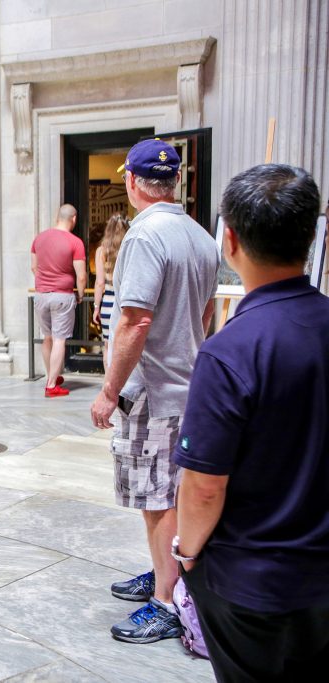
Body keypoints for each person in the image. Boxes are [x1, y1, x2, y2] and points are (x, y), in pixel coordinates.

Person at [173, 164, 329, 681]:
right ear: (310, 236)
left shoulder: (230, 351)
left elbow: (203, 487)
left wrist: (187, 555)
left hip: (254, 581)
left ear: (230, 239)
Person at [88, 139, 218, 644]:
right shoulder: (200, 235)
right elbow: (204, 315)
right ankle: (166, 573)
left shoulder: (145, 236)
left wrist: (108, 391)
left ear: (132, 183)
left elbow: (134, 321)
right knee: (174, 491)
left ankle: (166, 601)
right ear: (176, 182)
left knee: (157, 500)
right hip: (190, 385)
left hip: (152, 391)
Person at [31, 204, 86, 397]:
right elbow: (81, 276)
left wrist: (44, 283)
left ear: (57, 217)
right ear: (74, 219)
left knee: (47, 338)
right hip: (62, 295)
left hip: (40, 295)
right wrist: (79, 295)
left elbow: (34, 267)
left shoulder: (39, 238)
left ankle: (50, 376)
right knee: (60, 339)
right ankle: (52, 385)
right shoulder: (75, 242)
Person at [92, 213, 129, 371]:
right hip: (125, 301)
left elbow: (100, 283)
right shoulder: (128, 249)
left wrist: (96, 307)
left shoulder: (101, 251)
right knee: (124, 345)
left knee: (108, 345)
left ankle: (108, 383)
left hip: (108, 302)